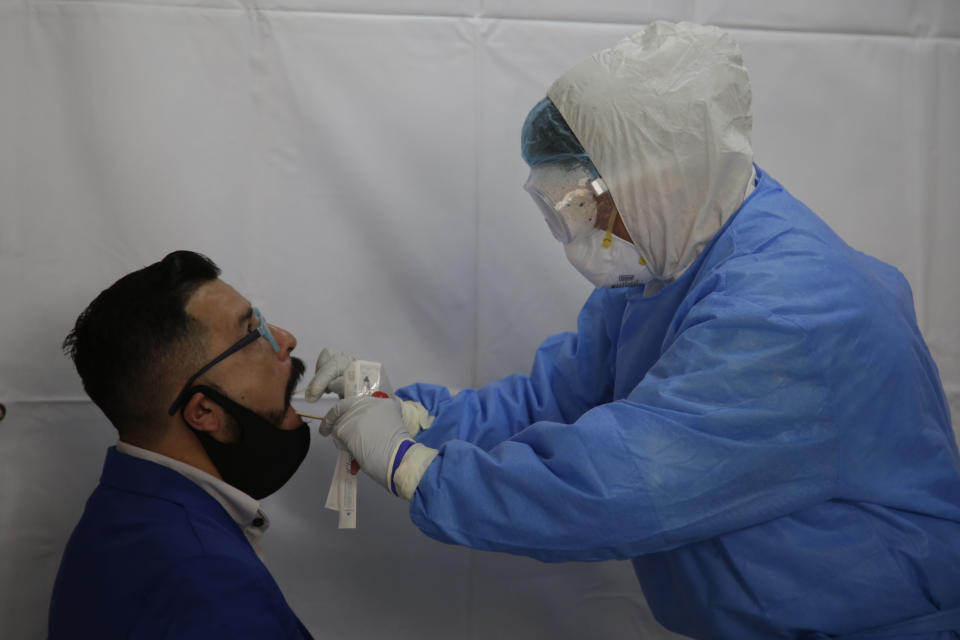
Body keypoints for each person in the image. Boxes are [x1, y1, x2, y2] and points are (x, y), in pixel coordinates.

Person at [304, 22, 960, 639]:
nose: (581, 234)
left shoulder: (787, 310)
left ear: (656, 177)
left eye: (583, 208)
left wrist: (409, 467)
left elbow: (617, 485)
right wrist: (414, 414)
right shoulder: (669, 259)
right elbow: (552, 401)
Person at [49, 250, 314, 639]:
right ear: (204, 411)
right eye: (252, 333)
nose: (286, 340)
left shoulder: (119, 517)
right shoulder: (208, 583)